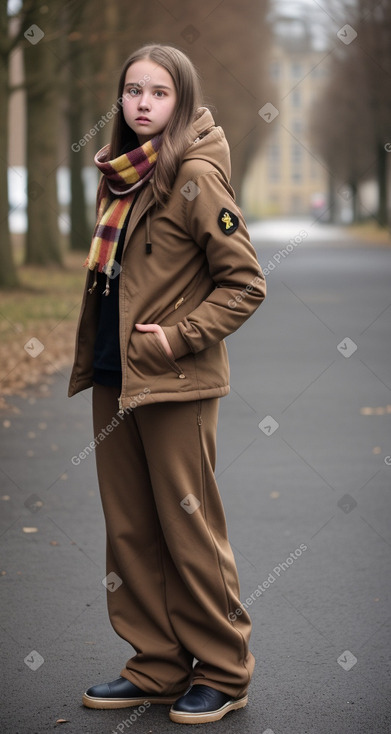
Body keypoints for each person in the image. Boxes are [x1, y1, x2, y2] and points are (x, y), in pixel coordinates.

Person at [68, 43, 266, 725]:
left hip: (175, 381)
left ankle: (223, 669)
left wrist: (179, 337)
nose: (143, 103)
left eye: (158, 92)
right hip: (113, 375)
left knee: (188, 530)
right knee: (129, 531)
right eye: (132, 91)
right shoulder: (122, 175)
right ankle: (155, 664)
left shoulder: (195, 179)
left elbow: (245, 282)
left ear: (180, 100)